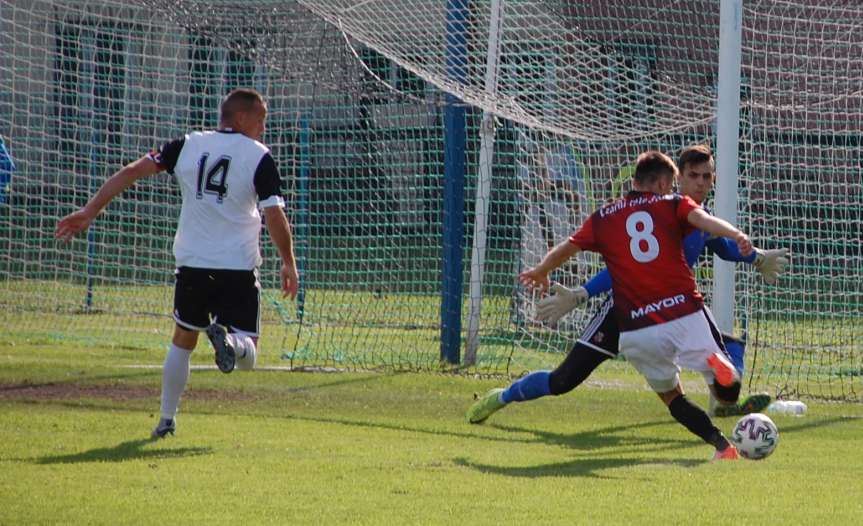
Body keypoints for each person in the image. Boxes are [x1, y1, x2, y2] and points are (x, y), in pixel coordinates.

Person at [467, 145, 788, 426]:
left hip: (668, 311)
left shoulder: (697, 217)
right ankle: (504, 396)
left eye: (708, 176)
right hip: (622, 312)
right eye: (695, 175)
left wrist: (757, 257)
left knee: (728, 345)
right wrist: (582, 293)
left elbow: (723, 246)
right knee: (563, 380)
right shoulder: (663, 211)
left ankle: (724, 403)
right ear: (677, 179)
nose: (702, 182)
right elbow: (619, 268)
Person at [56, 88, 299, 439]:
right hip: (237, 268)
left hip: (192, 264)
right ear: (242, 118)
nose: (263, 128)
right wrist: (288, 262)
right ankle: (232, 344)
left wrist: (89, 210)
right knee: (249, 356)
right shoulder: (258, 155)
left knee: (182, 340)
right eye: (260, 120)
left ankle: (166, 419)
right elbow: (274, 214)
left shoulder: (187, 143)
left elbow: (132, 171)